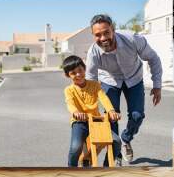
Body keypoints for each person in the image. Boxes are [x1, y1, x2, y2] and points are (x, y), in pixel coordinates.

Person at [86, 14, 162, 163]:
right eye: (98, 35)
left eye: (106, 32)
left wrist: (157, 85)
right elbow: (91, 82)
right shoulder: (93, 53)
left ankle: (125, 139)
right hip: (109, 81)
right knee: (111, 117)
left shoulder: (132, 39)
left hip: (134, 77)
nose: (103, 38)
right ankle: (115, 153)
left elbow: (153, 58)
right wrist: (90, 108)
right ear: (93, 36)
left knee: (137, 115)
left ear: (113, 30)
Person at [62, 55, 122, 167]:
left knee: (116, 141)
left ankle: (106, 166)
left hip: (96, 120)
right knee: (76, 147)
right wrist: (76, 112)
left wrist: (111, 111)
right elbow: (70, 103)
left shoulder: (95, 85)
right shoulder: (69, 90)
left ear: (84, 68)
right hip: (80, 121)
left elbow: (103, 98)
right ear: (67, 75)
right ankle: (71, 170)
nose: (78, 74)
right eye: (73, 73)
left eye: (80, 70)